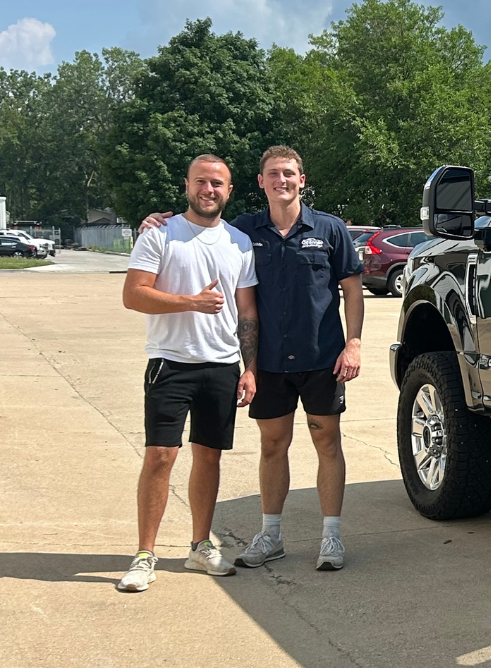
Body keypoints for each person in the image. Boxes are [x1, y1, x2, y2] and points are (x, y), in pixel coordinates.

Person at [139, 145, 364, 571]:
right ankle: (271, 536)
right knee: (273, 445)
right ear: (260, 182)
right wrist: (154, 221)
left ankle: (331, 537)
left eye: (289, 173)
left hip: (322, 359)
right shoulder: (243, 231)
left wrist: (353, 344)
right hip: (270, 363)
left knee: (326, 442)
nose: (282, 180)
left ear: (302, 180)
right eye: (273, 174)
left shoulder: (330, 229)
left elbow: (352, 290)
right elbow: (201, 222)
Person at [118, 154, 259, 592]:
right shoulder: (160, 234)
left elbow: (247, 312)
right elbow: (133, 295)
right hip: (170, 362)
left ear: (229, 190)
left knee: (209, 456)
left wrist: (249, 368)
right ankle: (145, 555)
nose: (208, 190)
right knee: (160, 456)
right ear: (187, 185)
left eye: (217, 183)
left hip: (222, 366)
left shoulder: (239, 242)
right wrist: (191, 302)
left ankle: (200, 546)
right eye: (201, 181)